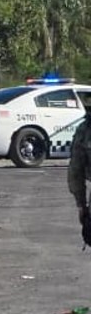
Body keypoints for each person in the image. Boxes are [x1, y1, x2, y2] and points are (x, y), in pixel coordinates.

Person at [70, 94, 91, 239]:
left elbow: (75, 171)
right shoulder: (86, 129)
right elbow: (75, 170)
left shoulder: (86, 129)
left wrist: (81, 205)